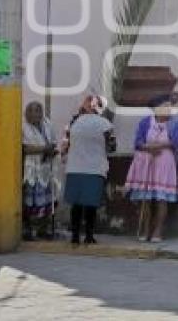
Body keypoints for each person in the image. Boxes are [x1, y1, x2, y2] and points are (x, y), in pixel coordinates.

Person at [125, 94, 178, 243]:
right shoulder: (146, 122)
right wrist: (147, 148)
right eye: (165, 106)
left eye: (170, 106)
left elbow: (177, 142)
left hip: (165, 162)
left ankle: (158, 230)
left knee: (161, 198)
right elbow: (138, 142)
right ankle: (146, 228)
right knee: (146, 198)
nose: (168, 109)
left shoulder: (175, 123)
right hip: (146, 162)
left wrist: (159, 146)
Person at [64, 95, 114, 245]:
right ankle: (89, 236)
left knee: (76, 204)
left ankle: (74, 236)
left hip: (75, 167)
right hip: (94, 169)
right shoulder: (105, 124)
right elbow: (111, 146)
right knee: (91, 205)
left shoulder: (74, 122)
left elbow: (67, 142)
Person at [22, 101, 58, 241]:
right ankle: (28, 230)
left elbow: (53, 142)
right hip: (30, 168)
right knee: (29, 201)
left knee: (49, 200)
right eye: (31, 111)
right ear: (26, 113)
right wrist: (44, 149)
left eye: (38, 110)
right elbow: (24, 148)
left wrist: (51, 150)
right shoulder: (23, 127)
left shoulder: (47, 124)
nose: (35, 114)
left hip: (46, 167)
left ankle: (43, 229)